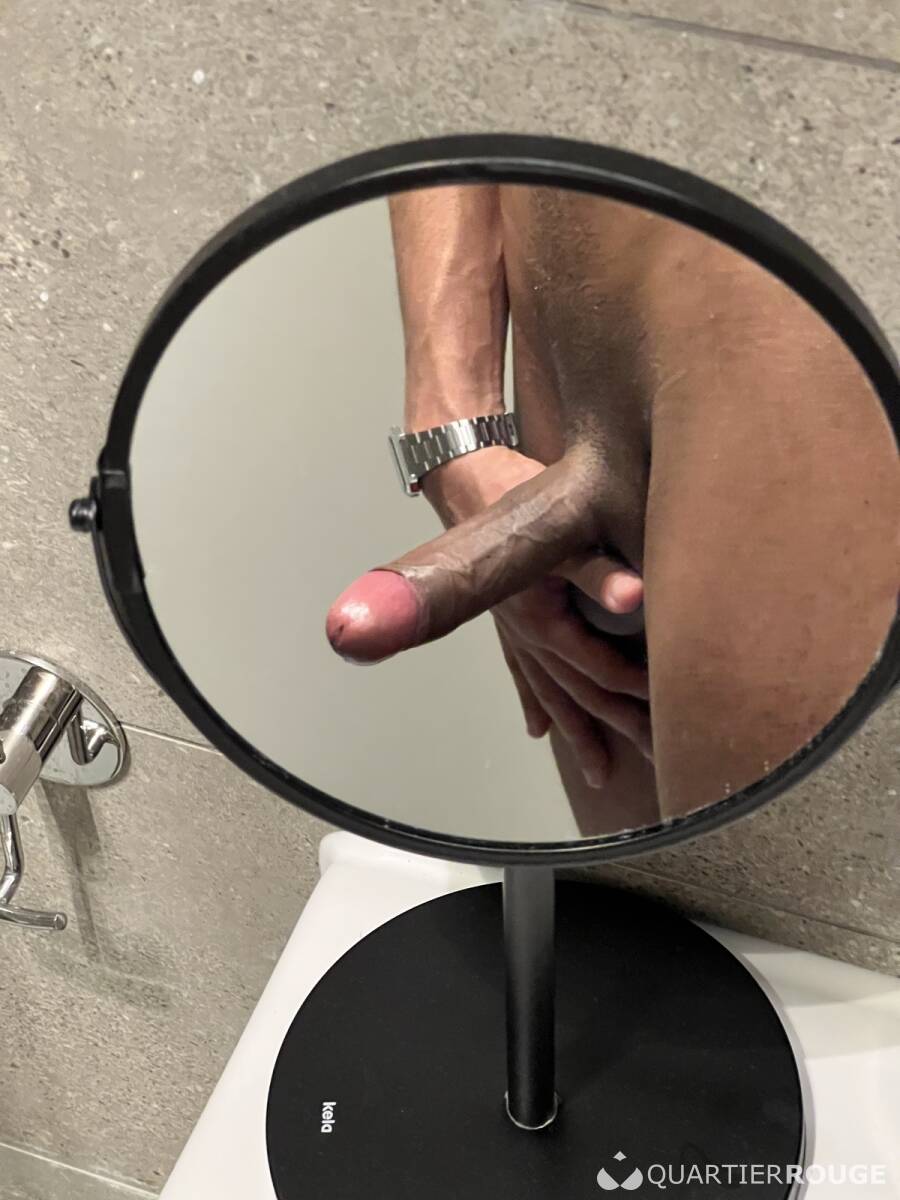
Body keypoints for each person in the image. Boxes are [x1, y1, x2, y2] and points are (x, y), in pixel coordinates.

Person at [327, 184, 899, 830]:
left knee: (776, 884)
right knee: (643, 886)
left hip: (801, 344)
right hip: (568, 347)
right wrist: (450, 420)